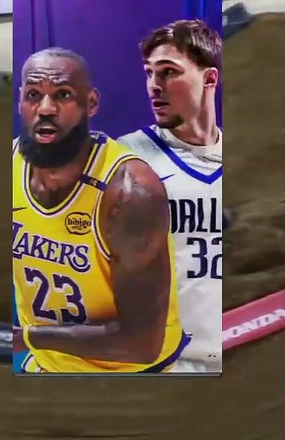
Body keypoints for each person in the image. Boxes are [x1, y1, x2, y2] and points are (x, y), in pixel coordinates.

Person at [12, 47, 188, 373]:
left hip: (133, 374)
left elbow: (141, 345)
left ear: (91, 103)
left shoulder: (130, 194)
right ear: (21, 100)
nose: (45, 108)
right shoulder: (8, 167)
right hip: (49, 362)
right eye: (34, 95)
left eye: (63, 94)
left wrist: (27, 337)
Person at [119, 20, 224, 373]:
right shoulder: (127, 158)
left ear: (209, 79)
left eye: (168, 72)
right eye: (149, 73)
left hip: (237, 347)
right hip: (168, 364)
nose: (154, 85)